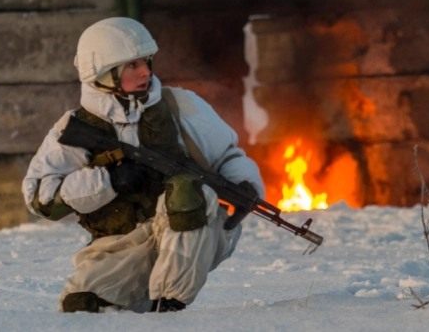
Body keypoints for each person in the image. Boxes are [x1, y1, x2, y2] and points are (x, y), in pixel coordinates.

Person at [21, 17, 265, 313]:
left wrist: (245, 184)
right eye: (132, 65)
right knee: (81, 306)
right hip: (118, 248)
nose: (145, 72)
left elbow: (228, 154)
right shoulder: (76, 129)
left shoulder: (179, 105)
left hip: (190, 234)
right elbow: (40, 198)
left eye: (147, 62)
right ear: (102, 72)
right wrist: (108, 181)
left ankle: (170, 305)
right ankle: (144, 298)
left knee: (188, 191)